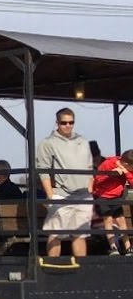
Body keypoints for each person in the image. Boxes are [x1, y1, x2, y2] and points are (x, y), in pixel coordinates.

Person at [35, 107, 94, 257]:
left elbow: (90, 167)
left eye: (71, 122)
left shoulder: (83, 141)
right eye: (64, 122)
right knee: (56, 233)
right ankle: (52, 266)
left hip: (83, 195)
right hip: (61, 194)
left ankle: (82, 269)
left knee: (80, 234)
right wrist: (50, 195)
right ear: (57, 123)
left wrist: (90, 190)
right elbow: (43, 170)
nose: (68, 125)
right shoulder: (48, 143)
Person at [92, 149, 133, 255]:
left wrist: (127, 173)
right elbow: (97, 179)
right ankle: (113, 246)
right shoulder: (108, 163)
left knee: (122, 221)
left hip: (116, 197)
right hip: (102, 196)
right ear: (125, 163)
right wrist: (112, 173)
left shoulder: (128, 169)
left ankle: (128, 247)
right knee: (108, 220)